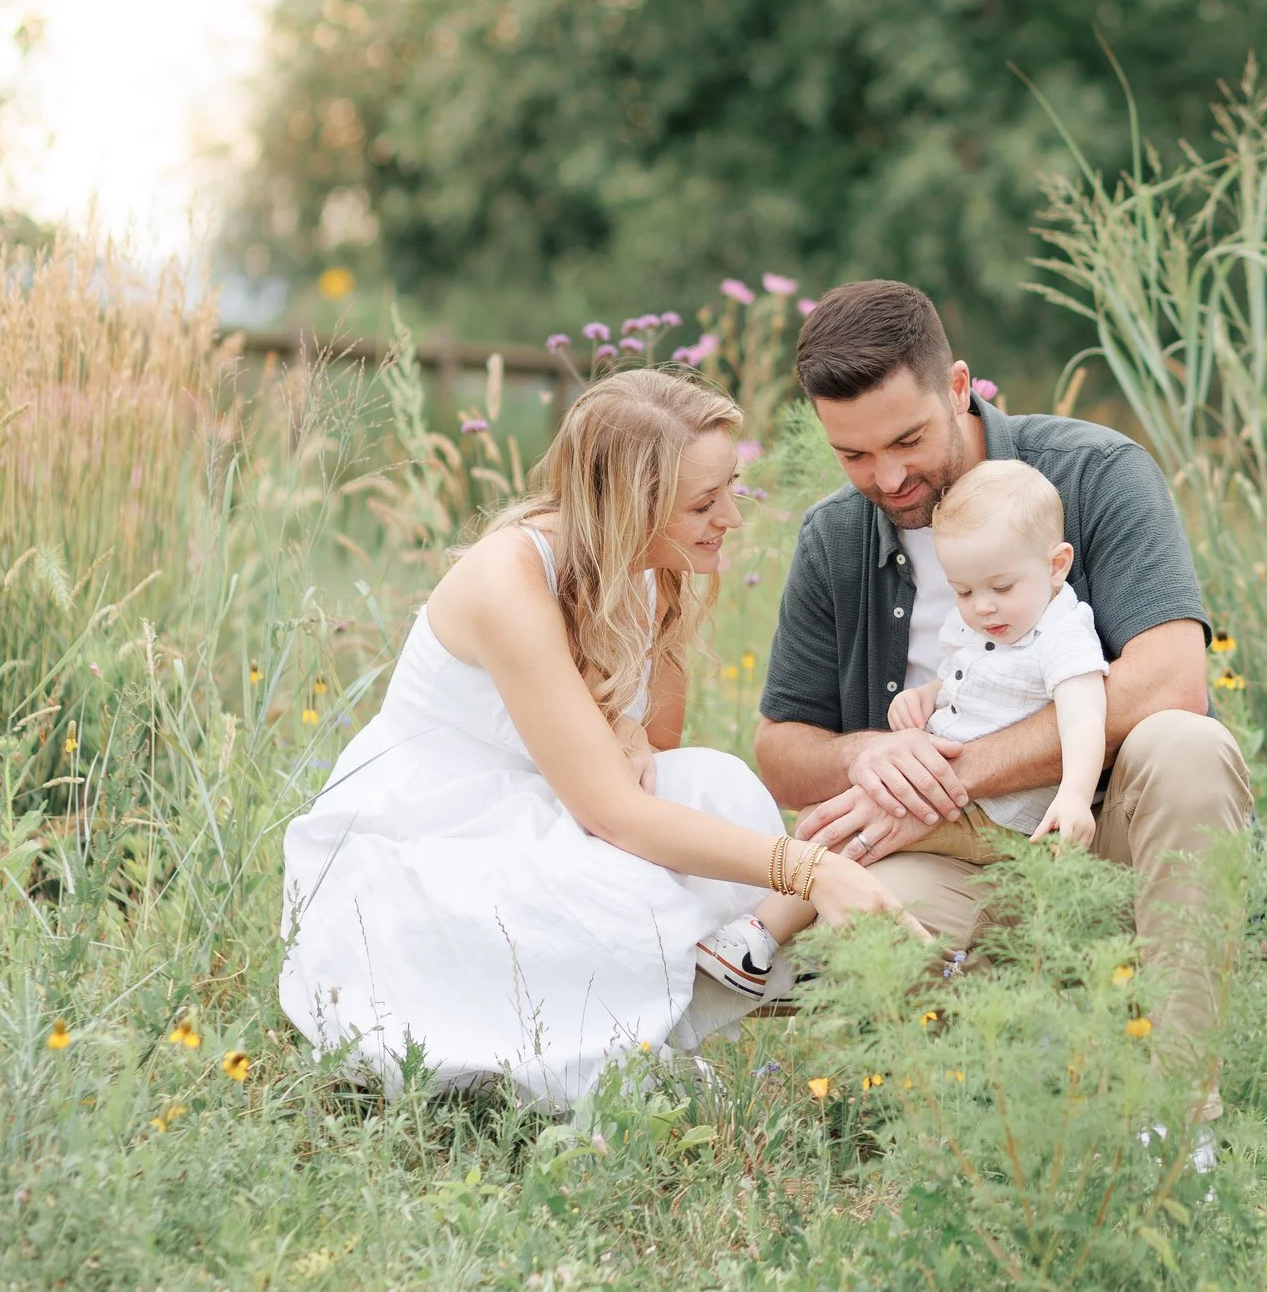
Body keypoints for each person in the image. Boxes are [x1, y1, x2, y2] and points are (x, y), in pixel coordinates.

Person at [279, 369, 916, 1107]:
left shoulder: (650, 565)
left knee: (717, 786)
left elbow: (659, 751)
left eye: (730, 489)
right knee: (622, 878)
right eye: (703, 504)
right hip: (436, 837)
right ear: (627, 507)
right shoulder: (508, 579)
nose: (731, 519)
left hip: (550, 810)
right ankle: (596, 1055)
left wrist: (625, 723)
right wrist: (808, 869)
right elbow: (613, 812)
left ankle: (640, 1015)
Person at [756, 279, 1254, 1132]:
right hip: (954, 858)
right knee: (862, 941)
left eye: (907, 439)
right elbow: (779, 748)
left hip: (1098, 834)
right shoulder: (834, 537)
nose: (888, 476)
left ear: (958, 387)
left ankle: (1180, 1120)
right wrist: (867, 756)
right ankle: (1001, 1099)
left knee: (1187, 745)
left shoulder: (1096, 474)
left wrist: (954, 777)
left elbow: (1172, 681)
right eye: (854, 455)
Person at [884, 458, 1108, 856]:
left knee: (851, 840)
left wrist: (1075, 796)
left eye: (1002, 587)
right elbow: (962, 678)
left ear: (1057, 566)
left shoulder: (1063, 634)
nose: (982, 607)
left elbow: (1084, 720)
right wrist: (925, 696)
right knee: (831, 821)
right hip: (957, 795)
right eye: (963, 591)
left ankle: (781, 898)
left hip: (1003, 818)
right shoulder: (978, 623)